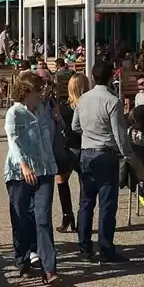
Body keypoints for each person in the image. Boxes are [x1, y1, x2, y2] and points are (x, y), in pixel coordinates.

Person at [72, 60, 135, 262]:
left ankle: (84, 246)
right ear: (111, 77)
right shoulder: (112, 100)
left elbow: (75, 126)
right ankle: (106, 248)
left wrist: (89, 134)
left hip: (86, 152)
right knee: (107, 205)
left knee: (86, 202)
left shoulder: (83, 98)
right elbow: (120, 134)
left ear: (93, 77)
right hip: (105, 153)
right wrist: (128, 155)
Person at [3, 72, 59, 285]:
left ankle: (49, 267)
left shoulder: (44, 109)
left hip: (45, 169)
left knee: (43, 218)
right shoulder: (14, 113)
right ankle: (23, 260)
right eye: (38, 91)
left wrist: (58, 120)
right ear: (27, 92)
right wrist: (23, 165)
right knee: (21, 219)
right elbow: (13, 141)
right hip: (19, 173)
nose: (41, 94)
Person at [54, 74, 88, 234]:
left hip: (69, 148)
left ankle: (67, 215)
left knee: (61, 180)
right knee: (84, 184)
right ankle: (82, 218)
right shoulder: (89, 105)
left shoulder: (64, 107)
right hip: (86, 147)